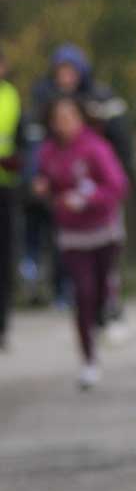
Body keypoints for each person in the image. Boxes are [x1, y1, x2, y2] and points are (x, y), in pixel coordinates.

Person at [34, 96, 129, 388]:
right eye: (58, 118)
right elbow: (44, 182)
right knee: (82, 294)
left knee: (99, 291)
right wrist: (43, 189)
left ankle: (109, 312)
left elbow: (118, 185)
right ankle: (88, 360)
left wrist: (88, 199)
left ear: (79, 118)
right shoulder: (48, 152)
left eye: (69, 116)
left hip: (103, 230)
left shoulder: (95, 147)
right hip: (72, 234)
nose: (64, 123)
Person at [0, 46, 26, 349]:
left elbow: (20, 140)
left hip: (5, 187)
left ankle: (3, 324)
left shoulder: (11, 96)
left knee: (5, 258)